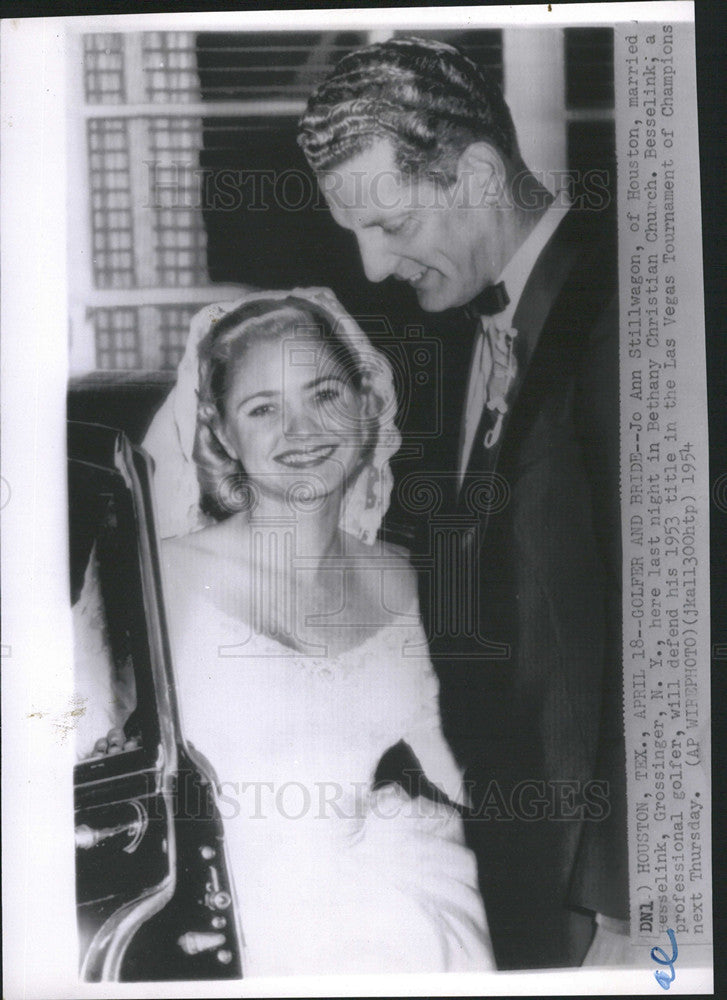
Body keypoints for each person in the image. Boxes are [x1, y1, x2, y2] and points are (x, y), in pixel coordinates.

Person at [298, 37, 628, 969]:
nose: (369, 268)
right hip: (518, 875)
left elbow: (678, 634)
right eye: (354, 232)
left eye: (391, 223)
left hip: (606, 902)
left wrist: (633, 906)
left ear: (478, 173)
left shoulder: (625, 316)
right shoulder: (463, 329)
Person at [78, 287, 495, 977]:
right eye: (262, 408)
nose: (299, 432)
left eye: (322, 394)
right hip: (220, 929)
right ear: (220, 433)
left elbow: (469, 769)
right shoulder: (153, 581)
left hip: (416, 924)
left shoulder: (414, 580)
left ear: (366, 405)